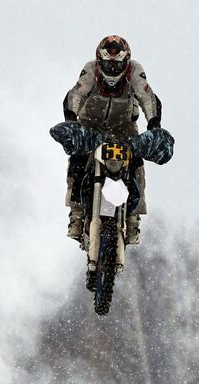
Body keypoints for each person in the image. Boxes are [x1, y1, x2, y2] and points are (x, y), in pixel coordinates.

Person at [63, 35, 162, 244]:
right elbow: (76, 94)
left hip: (123, 126)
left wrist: (153, 125)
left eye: (117, 64)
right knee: (78, 159)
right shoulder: (90, 70)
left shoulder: (135, 71)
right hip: (91, 124)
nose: (112, 68)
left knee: (136, 163)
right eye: (108, 63)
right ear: (100, 60)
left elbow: (147, 97)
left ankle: (133, 217)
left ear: (126, 62)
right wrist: (71, 120)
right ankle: (77, 214)